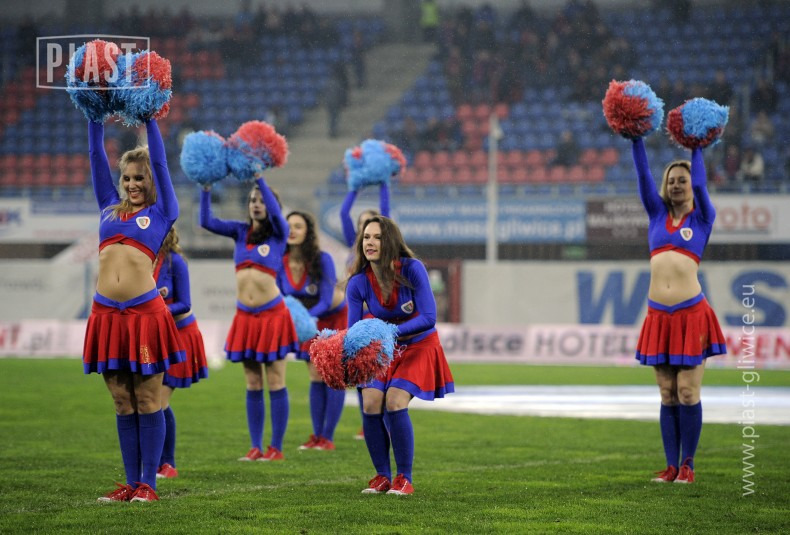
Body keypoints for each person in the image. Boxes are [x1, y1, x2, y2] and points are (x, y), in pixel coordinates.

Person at [83, 118, 181, 503]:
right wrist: (93, 115)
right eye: (126, 178)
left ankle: (148, 485)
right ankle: (130, 483)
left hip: (145, 316)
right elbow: (96, 156)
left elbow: (160, 162)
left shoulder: (163, 212)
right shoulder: (108, 207)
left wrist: (150, 120)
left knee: (147, 400)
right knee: (122, 402)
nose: (131, 184)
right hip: (106, 315)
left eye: (139, 178)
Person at [630, 136, 727, 484]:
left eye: (681, 180)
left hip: (691, 315)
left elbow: (701, 183)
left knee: (687, 392)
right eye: (671, 180)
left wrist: (696, 147)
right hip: (658, 316)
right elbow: (643, 176)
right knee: (667, 394)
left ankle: (688, 465)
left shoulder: (702, 218)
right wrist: (636, 138)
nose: (675, 185)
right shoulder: (656, 214)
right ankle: (671, 467)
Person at [346, 216, 455, 495]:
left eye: (378, 237)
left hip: (419, 344)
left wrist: (388, 332)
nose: (370, 242)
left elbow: (429, 317)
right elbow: (353, 331)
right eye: (366, 237)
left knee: (394, 400)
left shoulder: (412, 268)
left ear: (391, 242)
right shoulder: (358, 282)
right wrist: (343, 354)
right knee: (371, 402)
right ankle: (382, 476)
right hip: (385, 348)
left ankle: (404, 478)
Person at [199, 176, 298, 462]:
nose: (257, 204)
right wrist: (206, 188)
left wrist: (259, 179)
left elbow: (277, 215)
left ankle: (275, 448)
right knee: (253, 382)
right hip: (245, 316)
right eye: (253, 200)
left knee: (276, 381)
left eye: (263, 201)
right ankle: (256, 447)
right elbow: (206, 221)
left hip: (273, 316)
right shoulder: (240, 231)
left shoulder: (279, 232)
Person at [278, 211, 348, 451]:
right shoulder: (280, 260)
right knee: (315, 375)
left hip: (332, 316)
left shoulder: (322, 259)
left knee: (333, 376)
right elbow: (281, 298)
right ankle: (316, 436)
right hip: (307, 319)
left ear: (308, 232)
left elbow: (326, 300)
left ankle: (327, 437)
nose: (292, 230)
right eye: (289, 226)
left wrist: (304, 319)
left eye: (298, 226)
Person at [154, 226, 209, 479]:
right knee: (148, 400)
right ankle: (155, 462)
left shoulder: (175, 261)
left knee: (159, 400)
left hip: (180, 335)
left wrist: (153, 311)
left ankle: (168, 464)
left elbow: (185, 303)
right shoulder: (139, 259)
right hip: (156, 336)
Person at [339, 180, 390, 440]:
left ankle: (385, 421)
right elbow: (342, 214)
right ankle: (366, 422)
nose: (363, 229)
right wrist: (355, 185)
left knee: (382, 374)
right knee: (362, 373)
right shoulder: (354, 245)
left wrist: (383, 183)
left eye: (369, 224)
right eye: (361, 224)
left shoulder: (381, 249)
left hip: (378, 316)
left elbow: (386, 213)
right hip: (356, 314)